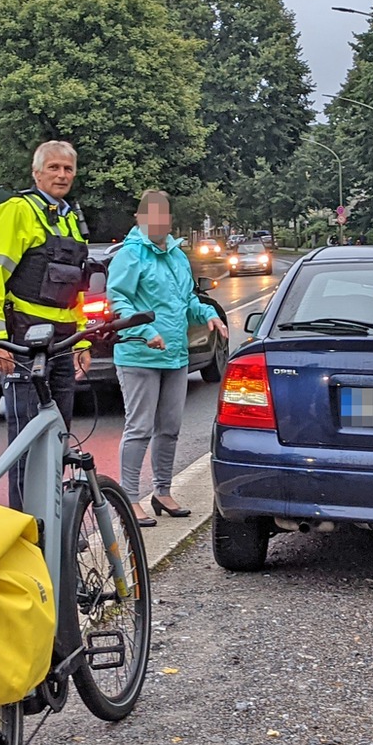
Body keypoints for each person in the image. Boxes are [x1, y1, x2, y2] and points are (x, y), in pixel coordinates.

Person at [0, 141, 91, 508]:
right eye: (53, 168)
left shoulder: (70, 217)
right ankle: (24, 524)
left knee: (58, 437)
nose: (61, 175)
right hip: (25, 341)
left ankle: (54, 523)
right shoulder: (17, 212)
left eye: (67, 169)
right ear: (36, 172)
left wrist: (83, 342)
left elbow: (77, 288)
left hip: (62, 343)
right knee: (25, 437)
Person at [107, 190, 227, 526]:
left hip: (175, 354)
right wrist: (147, 333)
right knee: (140, 428)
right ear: (140, 218)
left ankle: (163, 491)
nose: (158, 221)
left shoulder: (176, 255)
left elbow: (187, 299)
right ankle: (130, 498)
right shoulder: (130, 256)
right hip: (139, 354)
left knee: (170, 428)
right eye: (151, 214)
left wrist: (208, 314)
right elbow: (120, 302)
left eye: (164, 215)